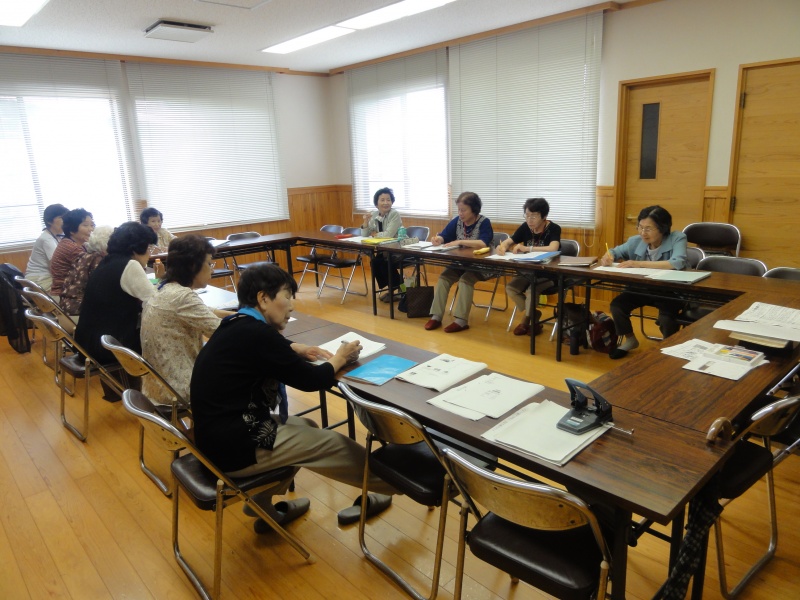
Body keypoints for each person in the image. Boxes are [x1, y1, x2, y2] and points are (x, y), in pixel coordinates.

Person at [190, 264, 394, 530]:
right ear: (264, 298)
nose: (292, 305)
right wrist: (340, 358)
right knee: (331, 443)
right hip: (236, 449)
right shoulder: (258, 334)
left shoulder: (236, 323)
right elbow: (311, 381)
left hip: (216, 439)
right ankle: (395, 483)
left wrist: (295, 348)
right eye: (287, 296)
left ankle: (261, 503)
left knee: (306, 425)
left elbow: (267, 347)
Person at [140, 235, 235, 406]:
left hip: (156, 384)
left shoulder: (162, 287)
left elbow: (201, 311)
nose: (212, 270)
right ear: (192, 266)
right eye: (209, 264)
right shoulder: (183, 296)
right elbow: (224, 334)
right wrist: (254, 322)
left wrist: (234, 314)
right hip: (179, 388)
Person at [75, 222, 157, 399]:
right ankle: (160, 397)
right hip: (108, 347)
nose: (150, 254)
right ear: (136, 248)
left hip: (87, 343)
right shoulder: (130, 265)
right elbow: (155, 302)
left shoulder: (106, 261)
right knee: (165, 334)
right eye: (149, 248)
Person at [599, 205, 688, 359]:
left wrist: (638, 264)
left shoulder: (677, 238)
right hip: (641, 288)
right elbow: (614, 251)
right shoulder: (635, 241)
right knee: (617, 306)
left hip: (669, 290)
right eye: (640, 227)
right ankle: (630, 340)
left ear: (663, 228)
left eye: (648, 228)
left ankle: (669, 347)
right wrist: (608, 256)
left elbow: (676, 262)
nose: (642, 233)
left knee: (667, 319)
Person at [424, 191, 493, 333]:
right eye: (459, 210)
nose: (460, 213)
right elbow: (444, 235)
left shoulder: (484, 222)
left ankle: (461, 321)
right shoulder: (457, 221)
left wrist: (460, 241)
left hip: (481, 265)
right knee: (443, 278)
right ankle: (436, 316)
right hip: (461, 263)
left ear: (474, 209)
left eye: (463, 210)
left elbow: (483, 243)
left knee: (465, 280)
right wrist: (438, 240)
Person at [497, 198, 562, 336]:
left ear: (544, 216)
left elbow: (553, 248)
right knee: (511, 288)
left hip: (549, 274)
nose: (529, 220)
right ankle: (534, 315)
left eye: (534, 216)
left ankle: (526, 320)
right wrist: (502, 246)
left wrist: (528, 248)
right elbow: (509, 241)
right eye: (527, 215)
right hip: (528, 272)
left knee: (531, 290)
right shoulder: (525, 227)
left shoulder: (554, 228)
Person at [361, 187, 405, 302]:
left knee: (385, 262)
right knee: (375, 262)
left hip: (399, 249)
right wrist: (365, 222)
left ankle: (396, 289)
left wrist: (375, 234)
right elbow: (365, 234)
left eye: (388, 200)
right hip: (385, 250)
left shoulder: (394, 214)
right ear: (376, 204)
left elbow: (389, 235)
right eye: (382, 200)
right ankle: (396, 288)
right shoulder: (375, 214)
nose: (386, 203)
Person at [59, 225, 114, 317]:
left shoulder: (85, 255)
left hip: (66, 306)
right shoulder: (99, 260)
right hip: (79, 310)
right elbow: (105, 290)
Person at [49, 208, 95, 298]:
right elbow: (93, 270)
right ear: (72, 230)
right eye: (85, 225)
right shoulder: (72, 248)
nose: (91, 229)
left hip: (68, 291)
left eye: (92, 225)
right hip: (65, 295)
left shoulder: (69, 242)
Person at [25, 203, 69, 293]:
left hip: (45, 277)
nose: (65, 221)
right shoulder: (46, 239)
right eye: (61, 218)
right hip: (40, 279)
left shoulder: (58, 236)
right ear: (49, 221)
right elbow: (56, 267)